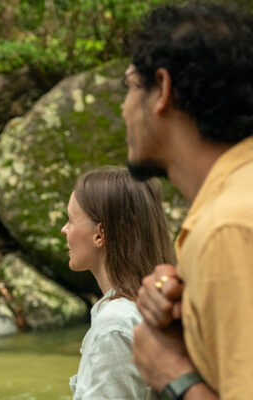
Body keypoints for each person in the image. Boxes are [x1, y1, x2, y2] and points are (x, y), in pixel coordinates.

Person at [121, 3, 253, 399]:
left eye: (128, 87)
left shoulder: (228, 229)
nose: (123, 109)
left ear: (161, 89)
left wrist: (172, 372)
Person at [62, 168, 174, 400]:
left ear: (99, 234)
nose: (64, 229)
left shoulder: (114, 325)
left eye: (71, 220)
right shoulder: (155, 306)